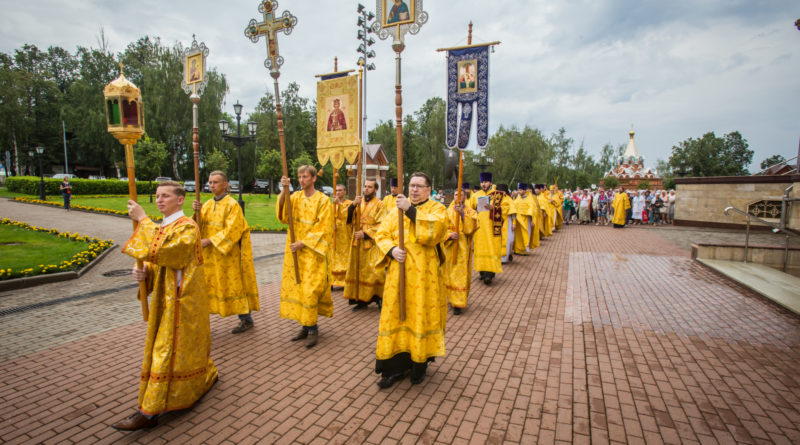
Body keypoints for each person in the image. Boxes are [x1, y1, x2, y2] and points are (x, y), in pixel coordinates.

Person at [112, 181, 217, 431]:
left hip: (182, 304)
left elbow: (174, 254)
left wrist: (143, 220)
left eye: (166, 196)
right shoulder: (163, 227)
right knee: (167, 353)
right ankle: (195, 383)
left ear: (180, 200)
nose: (160, 200)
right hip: (165, 299)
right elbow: (158, 260)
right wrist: (144, 273)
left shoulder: (188, 227)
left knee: (165, 353)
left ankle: (149, 412)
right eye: (158, 196)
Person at [373, 172, 449, 388]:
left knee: (420, 316)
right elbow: (382, 235)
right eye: (411, 185)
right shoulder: (394, 210)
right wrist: (392, 250)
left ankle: (419, 364)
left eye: (419, 186)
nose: (414, 189)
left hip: (424, 277)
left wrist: (410, 210)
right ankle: (393, 367)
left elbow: (435, 232)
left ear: (428, 189)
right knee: (395, 316)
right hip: (398, 274)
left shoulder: (437, 209)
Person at [192, 171, 259, 334]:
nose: (212, 185)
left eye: (215, 182)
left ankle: (246, 319)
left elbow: (233, 230)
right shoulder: (206, 205)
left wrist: (209, 241)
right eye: (210, 182)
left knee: (234, 286)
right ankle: (203, 319)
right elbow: (196, 227)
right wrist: (196, 213)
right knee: (208, 286)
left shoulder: (232, 205)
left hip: (227, 256)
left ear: (225, 185)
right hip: (210, 257)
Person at [277, 165, 333, 348]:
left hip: (312, 251)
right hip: (295, 250)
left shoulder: (323, 200)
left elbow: (324, 228)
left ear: (314, 178)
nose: (301, 180)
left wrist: (304, 242)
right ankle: (305, 325)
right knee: (299, 288)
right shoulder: (295, 197)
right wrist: (284, 192)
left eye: (305, 177)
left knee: (310, 290)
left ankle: (313, 328)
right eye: (299, 177)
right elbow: (284, 217)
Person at [344, 179, 385, 311]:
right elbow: (347, 219)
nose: (366, 189)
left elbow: (382, 224)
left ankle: (379, 297)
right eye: (365, 186)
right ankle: (361, 299)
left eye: (369, 187)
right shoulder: (358, 202)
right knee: (358, 270)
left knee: (375, 271)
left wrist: (366, 234)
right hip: (357, 242)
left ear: (375, 190)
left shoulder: (380, 205)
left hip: (372, 243)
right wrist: (352, 206)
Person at [443, 183, 479, 315]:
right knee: (450, 273)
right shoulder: (448, 211)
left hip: (463, 248)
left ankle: (458, 302)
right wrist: (449, 235)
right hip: (451, 246)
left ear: (465, 196)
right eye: (456, 194)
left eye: (461, 194)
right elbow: (442, 227)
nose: (458, 196)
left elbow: (474, 225)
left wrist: (463, 215)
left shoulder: (470, 211)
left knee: (461, 274)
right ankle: (451, 297)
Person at [469, 172, 508, 285]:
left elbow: (506, 208)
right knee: (480, 250)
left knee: (492, 249)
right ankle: (482, 272)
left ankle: (489, 275)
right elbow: (470, 210)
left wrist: (494, 208)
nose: (483, 184)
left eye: (485, 182)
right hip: (480, 229)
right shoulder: (476, 195)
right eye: (482, 182)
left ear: (490, 182)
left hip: (492, 229)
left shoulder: (498, 195)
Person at [330, 183, 352, 289]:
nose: (338, 192)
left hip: (346, 232)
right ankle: (333, 279)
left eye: (340, 190)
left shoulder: (349, 203)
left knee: (345, 254)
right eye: (336, 190)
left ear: (345, 192)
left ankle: (345, 279)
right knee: (334, 254)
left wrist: (340, 204)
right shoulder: (332, 204)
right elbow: (329, 216)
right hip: (335, 233)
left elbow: (349, 215)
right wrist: (331, 224)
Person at [512, 183, 533, 255]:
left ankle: (525, 249)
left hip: (526, 219)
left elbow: (533, 209)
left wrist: (532, 220)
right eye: (518, 190)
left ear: (524, 190)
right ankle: (517, 249)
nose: (519, 191)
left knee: (526, 233)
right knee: (518, 235)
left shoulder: (530, 198)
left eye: (520, 190)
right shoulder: (517, 199)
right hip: (518, 219)